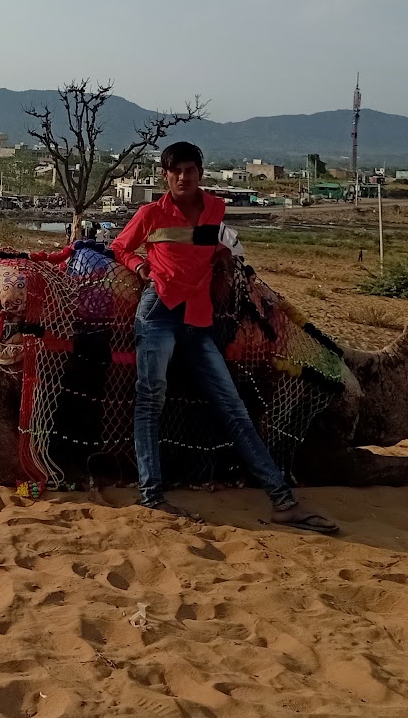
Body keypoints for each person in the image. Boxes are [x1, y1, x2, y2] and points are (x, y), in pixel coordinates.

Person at [109, 140, 337, 534]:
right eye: (175, 170)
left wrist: (219, 254)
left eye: (190, 169)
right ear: (165, 175)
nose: (183, 177)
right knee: (151, 398)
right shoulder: (151, 213)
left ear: (200, 172)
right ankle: (151, 495)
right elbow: (119, 246)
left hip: (197, 319)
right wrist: (140, 265)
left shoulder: (215, 208)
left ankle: (283, 500)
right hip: (159, 312)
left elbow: (201, 244)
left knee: (233, 407)